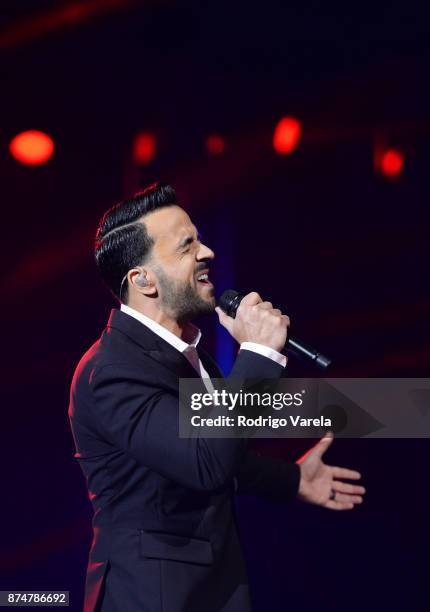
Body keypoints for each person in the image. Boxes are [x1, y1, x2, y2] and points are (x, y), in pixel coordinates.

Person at [68, 182, 366, 612]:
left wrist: (293, 480)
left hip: (213, 590)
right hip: (153, 598)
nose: (207, 253)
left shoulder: (192, 357)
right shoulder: (111, 370)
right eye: (187, 246)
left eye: (201, 239)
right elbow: (205, 461)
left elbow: (222, 456)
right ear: (143, 279)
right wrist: (260, 352)